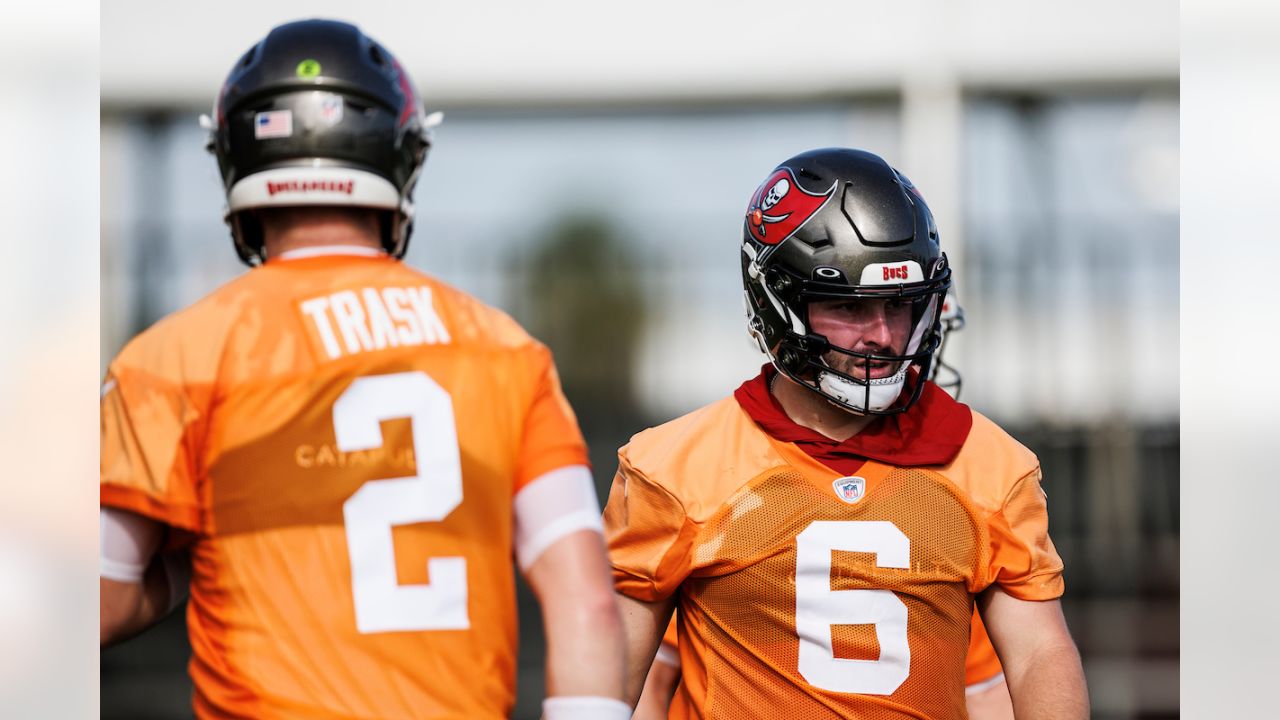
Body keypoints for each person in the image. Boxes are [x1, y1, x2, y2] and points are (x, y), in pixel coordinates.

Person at [99, 19, 628, 720]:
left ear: (236, 155)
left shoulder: (174, 358)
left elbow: (96, 600)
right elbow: (585, 597)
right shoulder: (504, 349)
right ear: (399, 155)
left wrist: (182, 570)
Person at [605, 147, 1088, 718]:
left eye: (899, 306)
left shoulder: (988, 465)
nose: (881, 335)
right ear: (777, 300)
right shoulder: (676, 469)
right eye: (848, 306)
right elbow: (610, 687)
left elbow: (1037, 657)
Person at [631, 288, 1017, 720]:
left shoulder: (961, 498)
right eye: (852, 310)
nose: (885, 342)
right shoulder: (717, 486)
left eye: (904, 315)